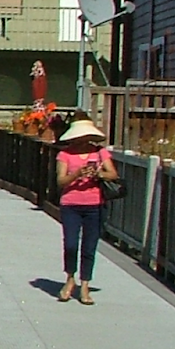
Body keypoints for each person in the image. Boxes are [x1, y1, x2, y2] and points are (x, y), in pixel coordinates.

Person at [54, 120, 117, 304]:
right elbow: (61, 180)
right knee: (71, 244)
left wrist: (98, 174)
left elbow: (113, 174)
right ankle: (70, 279)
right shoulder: (64, 154)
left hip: (94, 204)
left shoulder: (99, 152)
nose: (82, 141)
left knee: (89, 247)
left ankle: (85, 285)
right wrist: (77, 174)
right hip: (71, 204)